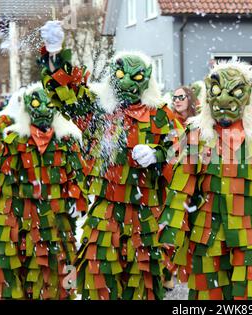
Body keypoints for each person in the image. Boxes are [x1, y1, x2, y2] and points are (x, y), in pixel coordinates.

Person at [38, 21, 182, 300]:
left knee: (143, 284)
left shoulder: (161, 114)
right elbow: (66, 94)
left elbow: (183, 149)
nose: (128, 83)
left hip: (146, 215)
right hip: (105, 212)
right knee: (99, 278)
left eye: (137, 77)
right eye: (121, 75)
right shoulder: (98, 111)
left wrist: (158, 153)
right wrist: (54, 54)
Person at [158, 61, 252, 300]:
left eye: (234, 91)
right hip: (207, 232)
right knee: (207, 294)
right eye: (217, 91)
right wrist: (171, 225)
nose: (223, 100)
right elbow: (180, 186)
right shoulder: (196, 136)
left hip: (251, 231)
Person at [0, 84, 87, 299]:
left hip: (57, 219)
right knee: (21, 267)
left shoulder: (67, 142)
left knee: (57, 268)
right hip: (21, 219)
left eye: (49, 103)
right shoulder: (14, 141)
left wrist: (76, 198)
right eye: (37, 103)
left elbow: (77, 176)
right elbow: (5, 186)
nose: (44, 109)